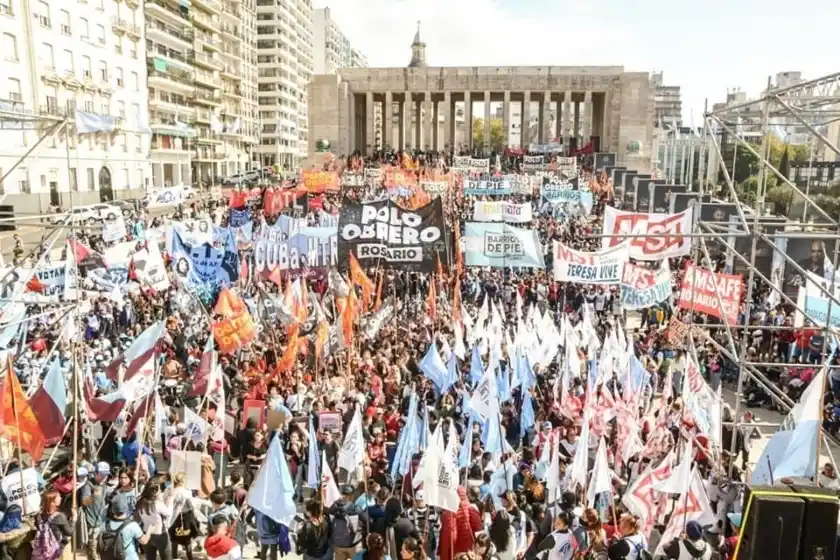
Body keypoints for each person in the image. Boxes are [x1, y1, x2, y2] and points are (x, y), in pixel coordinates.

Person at [99, 494, 151, 560]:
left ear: (112, 509)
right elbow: (144, 541)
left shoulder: (104, 525)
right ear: (126, 508)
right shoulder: (132, 525)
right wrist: (149, 530)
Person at [134, 483, 173, 560]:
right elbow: (169, 513)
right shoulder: (157, 504)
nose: (161, 491)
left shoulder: (140, 502)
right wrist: (170, 498)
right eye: (159, 490)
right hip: (160, 534)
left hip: (146, 533)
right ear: (154, 492)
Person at [31, 490, 73, 560]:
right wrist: (73, 520)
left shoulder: (38, 516)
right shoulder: (59, 516)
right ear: (52, 501)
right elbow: (69, 532)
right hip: (55, 551)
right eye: (58, 497)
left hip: (40, 551)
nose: (61, 498)